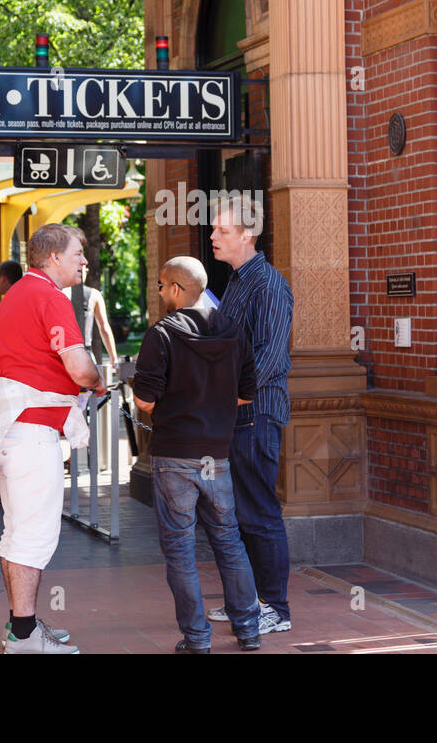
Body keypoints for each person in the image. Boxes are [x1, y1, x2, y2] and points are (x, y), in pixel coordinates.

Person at [0, 224, 104, 654]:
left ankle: (23, 622)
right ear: (53, 257)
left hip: (14, 430)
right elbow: (79, 367)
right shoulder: (51, 297)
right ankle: (24, 634)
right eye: (78, 254)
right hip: (32, 434)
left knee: (18, 532)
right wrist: (98, 381)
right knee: (32, 536)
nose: (83, 262)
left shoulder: (15, 294)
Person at [133, 256, 260, 653]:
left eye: (160, 285)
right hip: (216, 455)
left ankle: (197, 638)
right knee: (229, 541)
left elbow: (144, 401)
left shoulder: (162, 334)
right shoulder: (233, 330)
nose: (160, 293)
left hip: (175, 455)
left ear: (174, 288)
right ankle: (249, 629)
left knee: (180, 549)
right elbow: (245, 394)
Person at [208, 195, 294, 634]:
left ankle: (275, 608)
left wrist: (227, 396)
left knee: (259, 512)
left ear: (248, 234)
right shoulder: (238, 281)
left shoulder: (269, 285)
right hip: (235, 416)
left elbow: (270, 358)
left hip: (257, 415)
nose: (213, 236)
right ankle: (247, 601)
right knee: (237, 516)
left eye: (222, 230)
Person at [67, 279, 119, 367]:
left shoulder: (59, 291)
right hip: (84, 353)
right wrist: (113, 357)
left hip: (64, 352)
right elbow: (104, 328)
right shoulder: (94, 295)